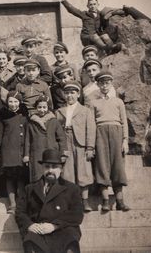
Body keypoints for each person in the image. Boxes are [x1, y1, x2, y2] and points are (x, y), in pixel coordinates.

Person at [16, 149, 84, 253]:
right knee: (30, 241)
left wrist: (54, 226)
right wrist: (30, 225)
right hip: (38, 229)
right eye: (47, 166)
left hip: (63, 229)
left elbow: (77, 214)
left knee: (70, 241)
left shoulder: (72, 189)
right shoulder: (30, 189)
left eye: (54, 167)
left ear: (61, 169)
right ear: (42, 168)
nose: (50, 170)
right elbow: (20, 212)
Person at [91, 71, 130, 212]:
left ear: (111, 84)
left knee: (117, 166)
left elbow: (124, 122)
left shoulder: (118, 102)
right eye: (102, 83)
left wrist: (125, 140)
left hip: (116, 132)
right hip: (100, 133)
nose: (104, 85)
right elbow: (91, 124)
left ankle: (120, 201)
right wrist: (92, 144)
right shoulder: (93, 103)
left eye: (107, 82)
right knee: (102, 165)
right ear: (98, 84)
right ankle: (105, 201)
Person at [56, 81, 96, 212]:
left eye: (72, 93)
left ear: (78, 94)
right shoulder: (60, 111)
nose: (69, 96)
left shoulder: (85, 110)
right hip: (65, 140)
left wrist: (90, 147)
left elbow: (90, 129)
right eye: (67, 93)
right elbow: (56, 131)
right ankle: (71, 202)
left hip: (81, 143)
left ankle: (85, 201)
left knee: (83, 171)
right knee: (67, 173)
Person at [57, 0, 121, 54]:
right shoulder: (84, 14)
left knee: (105, 35)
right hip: (86, 37)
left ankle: (112, 48)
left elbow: (105, 25)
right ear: (87, 6)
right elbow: (72, 10)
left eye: (94, 4)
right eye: (90, 5)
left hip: (97, 37)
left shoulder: (101, 14)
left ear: (98, 5)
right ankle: (106, 48)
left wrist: (107, 19)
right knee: (94, 36)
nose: (92, 6)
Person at [0, 91, 28, 214]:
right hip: (7, 150)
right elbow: (0, 135)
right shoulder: (3, 115)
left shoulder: (25, 115)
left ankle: (20, 203)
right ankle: (12, 204)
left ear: (19, 102)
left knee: (20, 178)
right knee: (9, 177)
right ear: (7, 102)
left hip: (20, 151)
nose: (13, 104)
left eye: (16, 102)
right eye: (10, 102)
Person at [24, 95, 67, 182]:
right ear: (36, 108)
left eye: (44, 107)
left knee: (51, 174)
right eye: (39, 107)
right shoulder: (31, 123)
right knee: (37, 175)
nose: (42, 110)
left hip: (52, 153)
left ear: (48, 108)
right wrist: (26, 155)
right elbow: (27, 140)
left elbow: (61, 138)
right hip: (36, 153)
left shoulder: (54, 121)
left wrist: (63, 153)